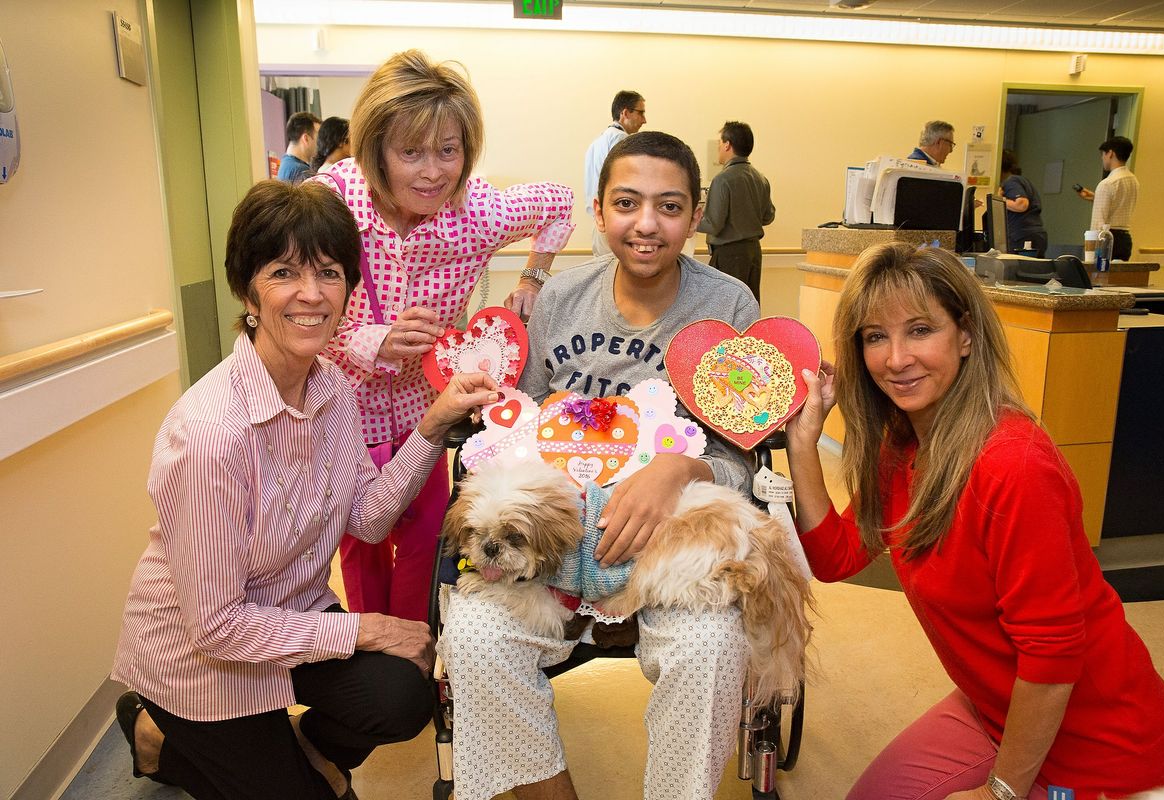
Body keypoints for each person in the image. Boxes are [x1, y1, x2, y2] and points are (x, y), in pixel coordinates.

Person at [111, 180, 502, 800]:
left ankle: (302, 747)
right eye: (283, 272)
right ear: (247, 290)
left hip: (293, 621)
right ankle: (155, 730)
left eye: (329, 272)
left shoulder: (332, 392)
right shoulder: (211, 432)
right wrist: (365, 629)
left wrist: (432, 425)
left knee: (403, 695)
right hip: (203, 661)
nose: (312, 294)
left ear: (350, 286)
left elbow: (369, 519)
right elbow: (217, 626)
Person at [784, 242, 1164, 800]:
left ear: (965, 333)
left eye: (920, 329)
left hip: (1100, 740)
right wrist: (802, 445)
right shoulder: (901, 442)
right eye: (876, 336)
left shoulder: (1013, 465)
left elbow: (1053, 655)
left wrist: (1002, 791)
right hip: (993, 705)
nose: (896, 359)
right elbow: (836, 558)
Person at [439, 131, 759, 800]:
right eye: (627, 203)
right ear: (598, 209)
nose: (647, 224)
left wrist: (676, 471)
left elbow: (739, 463)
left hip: (665, 555)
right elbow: (514, 427)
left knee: (712, 649)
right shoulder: (558, 300)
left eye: (669, 206)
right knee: (470, 632)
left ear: (696, 216)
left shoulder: (728, 307)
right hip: (547, 546)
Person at [310, 50, 574, 621]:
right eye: (411, 152)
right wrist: (364, 340)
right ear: (376, 150)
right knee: (359, 542)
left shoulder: (477, 209)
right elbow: (297, 310)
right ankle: (369, 648)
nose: (433, 172)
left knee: (428, 536)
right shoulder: (333, 201)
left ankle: (413, 653)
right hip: (338, 409)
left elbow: (560, 205)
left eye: (448, 151)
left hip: (422, 412)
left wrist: (533, 277)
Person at [697, 120, 775, 302]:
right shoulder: (760, 178)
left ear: (727, 145)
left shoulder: (722, 180)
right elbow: (768, 216)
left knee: (724, 308)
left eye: (720, 143)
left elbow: (713, 224)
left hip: (729, 255)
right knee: (748, 306)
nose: (718, 147)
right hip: (753, 252)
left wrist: (686, 220)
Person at [583, 90, 647, 256]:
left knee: (602, 271)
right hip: (616, 220)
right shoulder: (622, 140)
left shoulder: (596, 143)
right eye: (641, 113)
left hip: (598, 221)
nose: (644, 120)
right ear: (625, 112)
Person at [1077, 136, 1139, 261]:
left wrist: (1090, 254)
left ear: (1110, 153)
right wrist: (1096, 197)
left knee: (1100, 278)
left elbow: (1098, 224)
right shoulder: (1133, 181)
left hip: (1107, 240)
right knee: (1118, 279)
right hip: (1125, 239)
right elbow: (1119, 204)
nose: (1102, 158)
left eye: (1103, 154)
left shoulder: (1107, 184)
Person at [998, 149, 1048, 257]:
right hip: (1036, 234)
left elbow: (1021, 204)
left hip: (1022, 236)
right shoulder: (1023, 181)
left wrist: (999, 200)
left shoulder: (1011, 181)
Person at [278, 111, 321, 183]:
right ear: (306, 138)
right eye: (319, 137)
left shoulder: (286, 165)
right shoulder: (302, 172)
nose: (320, 142)